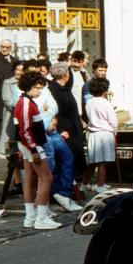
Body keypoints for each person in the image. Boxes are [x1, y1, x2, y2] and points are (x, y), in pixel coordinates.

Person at [13, 71, 61, 230]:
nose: (39, 91)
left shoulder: (23, 101)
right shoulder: (26, 103)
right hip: (32, 145)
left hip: (27, 145)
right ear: (29, 87)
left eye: (41, 87)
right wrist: (33, 150)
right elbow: (24, 130)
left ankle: (30, 216)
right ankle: (41, 218)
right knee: (47, 179)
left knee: (30, 179)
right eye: (37, 87)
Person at [48, 62, 86, 190]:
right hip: (64, 130)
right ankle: (66, 189)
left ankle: (72, 187)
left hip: (73, 128)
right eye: (69, 73)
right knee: (66, 160)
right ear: (65, 75)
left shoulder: (64, 87)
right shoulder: (53, 89)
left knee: (73, 159)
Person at [81, 78, 117, 193]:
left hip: (92, 134)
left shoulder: (89, 102)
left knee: (93, 162)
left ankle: (84, 184)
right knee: (103, 162)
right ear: (104, 90)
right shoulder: (106, 103)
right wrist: (115, 133)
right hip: (105, 133)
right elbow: (113, 121)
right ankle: (100, 185)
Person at [68, 50, 90, 115]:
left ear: (82, 62)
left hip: (82, 109)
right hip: (70, 110)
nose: (76, 64)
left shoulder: (83, 73)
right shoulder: (66, 73)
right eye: (74, 61)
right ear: (70, 60)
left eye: (79, 62)